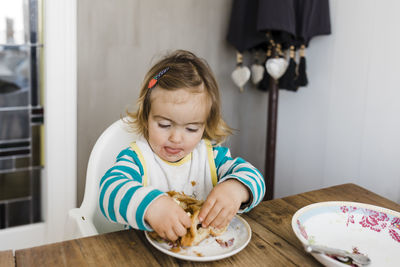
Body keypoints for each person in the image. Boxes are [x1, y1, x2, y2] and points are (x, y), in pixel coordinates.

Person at [99, 50, 265, 242]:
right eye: (164, 125)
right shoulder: (137, 158)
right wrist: (151, 205)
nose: (176, 138)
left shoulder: (211, 158)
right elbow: (108, 192)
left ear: (205, 125)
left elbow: (256, 178)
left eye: (192, 128)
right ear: (146, 118)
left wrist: (236, 189)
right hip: (143, 255)